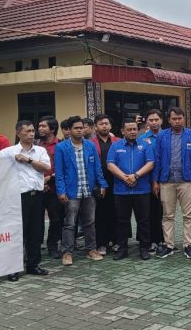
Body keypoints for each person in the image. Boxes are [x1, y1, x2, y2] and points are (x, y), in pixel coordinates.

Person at [0, 120, 52, 281]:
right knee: (17, 232)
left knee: (35, 232)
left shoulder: (40, 150)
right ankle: (13, 268)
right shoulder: (8, 152)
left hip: (37, 195)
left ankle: (33, 264)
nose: (31, 133)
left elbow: (46, 168)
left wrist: (28, 160)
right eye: (27, 131)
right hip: (17, 197)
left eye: (32, 130)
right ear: (18, 133)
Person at [55, 116, 108, 266]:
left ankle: (91, 250)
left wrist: (102, 184)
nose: (79, 130)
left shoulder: (90, 146)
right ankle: (67, 252)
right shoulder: (62, 148)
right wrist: (61, 191)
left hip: (89, 190)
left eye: (81, 127)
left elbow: (97, 167)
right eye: (76, 128)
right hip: (72, 192)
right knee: (70, 223)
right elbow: (59, 172)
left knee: (90, 222)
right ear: (69, 130)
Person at [152, 107, 191, 259]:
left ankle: (188, 245)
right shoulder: (162, 135)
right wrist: (155, 180)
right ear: (169, 120)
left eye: (180, 118)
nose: (177, 121)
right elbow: (157, 158)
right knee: (168, 215)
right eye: (174, 118)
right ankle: (169, 245)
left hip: (186, 181)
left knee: (189, 215)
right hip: (166, 181)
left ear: (184, 119)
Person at [106, 119, 155, 260]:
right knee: (122, 220)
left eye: (134, 129)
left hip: (142, 189)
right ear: (122, 131)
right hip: (121, 190)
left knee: (144, 220)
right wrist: (125, 178)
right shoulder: (115, 146)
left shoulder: (145, 145)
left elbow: (150, 163)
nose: (133, 132)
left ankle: (144, 248)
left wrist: (136, 176)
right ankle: (122, 248)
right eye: (129, 129)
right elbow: (110, 164)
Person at [91, 114, 118, 255]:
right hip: (98, 183)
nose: (104, 126)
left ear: (111, 126)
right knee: (100, 213)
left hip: (117, 182)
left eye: (107, 123)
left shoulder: (118, 141)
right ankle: (101, 243)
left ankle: (115, 241)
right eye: (101, 124)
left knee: (116, 212)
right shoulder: (90, 143)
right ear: (95, 127)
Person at [38, 116, 63, 259]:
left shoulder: (60, 145)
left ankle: (53, 245)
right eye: (39, 126)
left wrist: (50, 179)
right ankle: (35, 246)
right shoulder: (35, 145)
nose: (40, 129)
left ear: (52, 129)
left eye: (43, 126)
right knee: (36, 220)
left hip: (54, 189)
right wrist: (40, 181)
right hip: (37, 187)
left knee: (55, 219)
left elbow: (62, 167)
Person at [140, 109, 165, 252]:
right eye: (151, 120)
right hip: (146, 180)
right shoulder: (142, 139)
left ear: (161, 120)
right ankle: (149, 240)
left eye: (156, 120)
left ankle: (162, 239)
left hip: (165, 180)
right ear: (147, 122)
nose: (154, 123)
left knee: (163, 211)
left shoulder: (167, 136)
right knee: (148, 212)